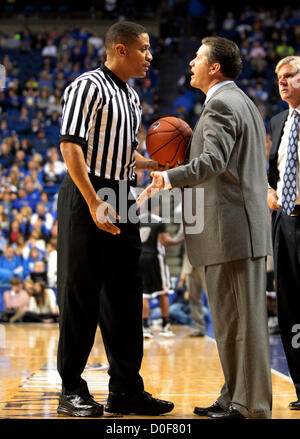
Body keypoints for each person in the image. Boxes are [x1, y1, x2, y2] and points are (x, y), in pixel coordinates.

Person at [137, 36, 272, 419]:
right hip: (236, 229)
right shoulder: (241, 101)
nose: (190, 63)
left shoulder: (220, 107)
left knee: (242, 326)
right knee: (232, 325)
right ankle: (233, 395)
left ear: (215, 67)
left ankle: (250, 407)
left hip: (231, 231)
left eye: (197, 58)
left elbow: (211, 162)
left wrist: (167, 178)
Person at [56, 21, 174, 418]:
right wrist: (92, 201)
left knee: (126, 295)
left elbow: (127, 157)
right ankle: (71, 387)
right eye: (143, 49)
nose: (150, 56)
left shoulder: (131, 96)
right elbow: (70, 146)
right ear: (120, 49)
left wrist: (157, 162)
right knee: (81, 292)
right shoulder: (87, 85)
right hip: (88, 190)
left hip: (122, 192)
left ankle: (126, 389)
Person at [267, 55, 300, 410]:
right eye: (280, 77)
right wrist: (267, 191)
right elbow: (271, 172)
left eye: (290, 75)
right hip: (286, 220)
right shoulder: (278, 122)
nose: (283, 82)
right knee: (290, 305)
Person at [139, 200, 183, 338]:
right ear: (157, 207)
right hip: (155, 258)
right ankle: (165, 325)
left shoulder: (138, 220)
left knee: (144, 294)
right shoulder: (159, 221)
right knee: (163, 292)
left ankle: (145, 326)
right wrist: (181, 239)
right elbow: (165, 242)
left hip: (139, 258)